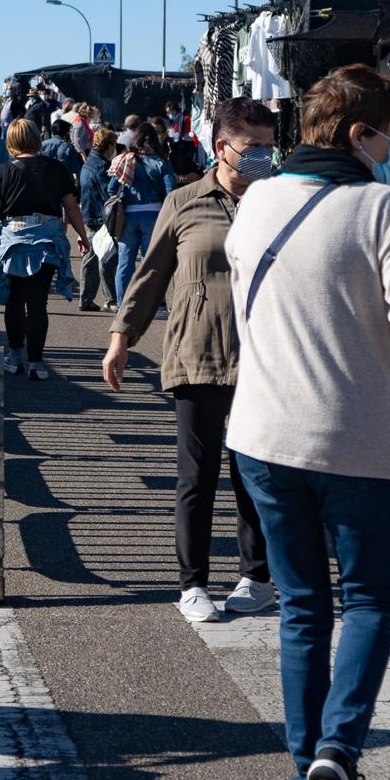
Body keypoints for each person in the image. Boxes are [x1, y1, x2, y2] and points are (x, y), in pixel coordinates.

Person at [224, 63, 390, 780]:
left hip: (260, 433)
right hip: (351, 436)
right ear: (360, 135)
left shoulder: (256, 200)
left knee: (301, 608)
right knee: (371, 601)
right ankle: (337, 752)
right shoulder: (379, 206)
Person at [104, 97, 280, 623]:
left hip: (265, 359)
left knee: (256, 475)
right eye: (253, 149)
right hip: (197, 354)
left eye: (270, 149)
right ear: (220, 147)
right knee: (196, 477)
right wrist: (122, 335)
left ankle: (257, 577)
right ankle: (193, 584)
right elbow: (151, 273)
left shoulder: (280, 202)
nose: (263, 159)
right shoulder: (183, 202)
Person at [0, 119, 90, 380]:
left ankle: (14, 356)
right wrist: (84, 237)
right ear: (38, 139)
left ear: (11, 142)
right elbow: (72, 207)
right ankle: (36, 363)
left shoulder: (4, 170)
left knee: (14, 301)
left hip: (13, 242)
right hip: (46, 242)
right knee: (38, 304)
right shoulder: (57, 169)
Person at [110, 125, 178, 305]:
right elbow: (171, 192)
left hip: (128, 217)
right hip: (154, 216)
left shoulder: (125, 160)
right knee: (151, 263)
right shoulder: (161, 162)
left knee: (124, 262)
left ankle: (122, 305)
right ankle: (149, 304)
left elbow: (111, 188)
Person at [77, 128, 118, 312]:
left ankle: (86, 298)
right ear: (108, 146)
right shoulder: (101, 166)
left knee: (92, 257)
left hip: (88, 213)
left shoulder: (88, 163)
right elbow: (108, 193)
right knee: (107, 257)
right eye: (113, 145)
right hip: (100, 216)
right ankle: (110, 299)